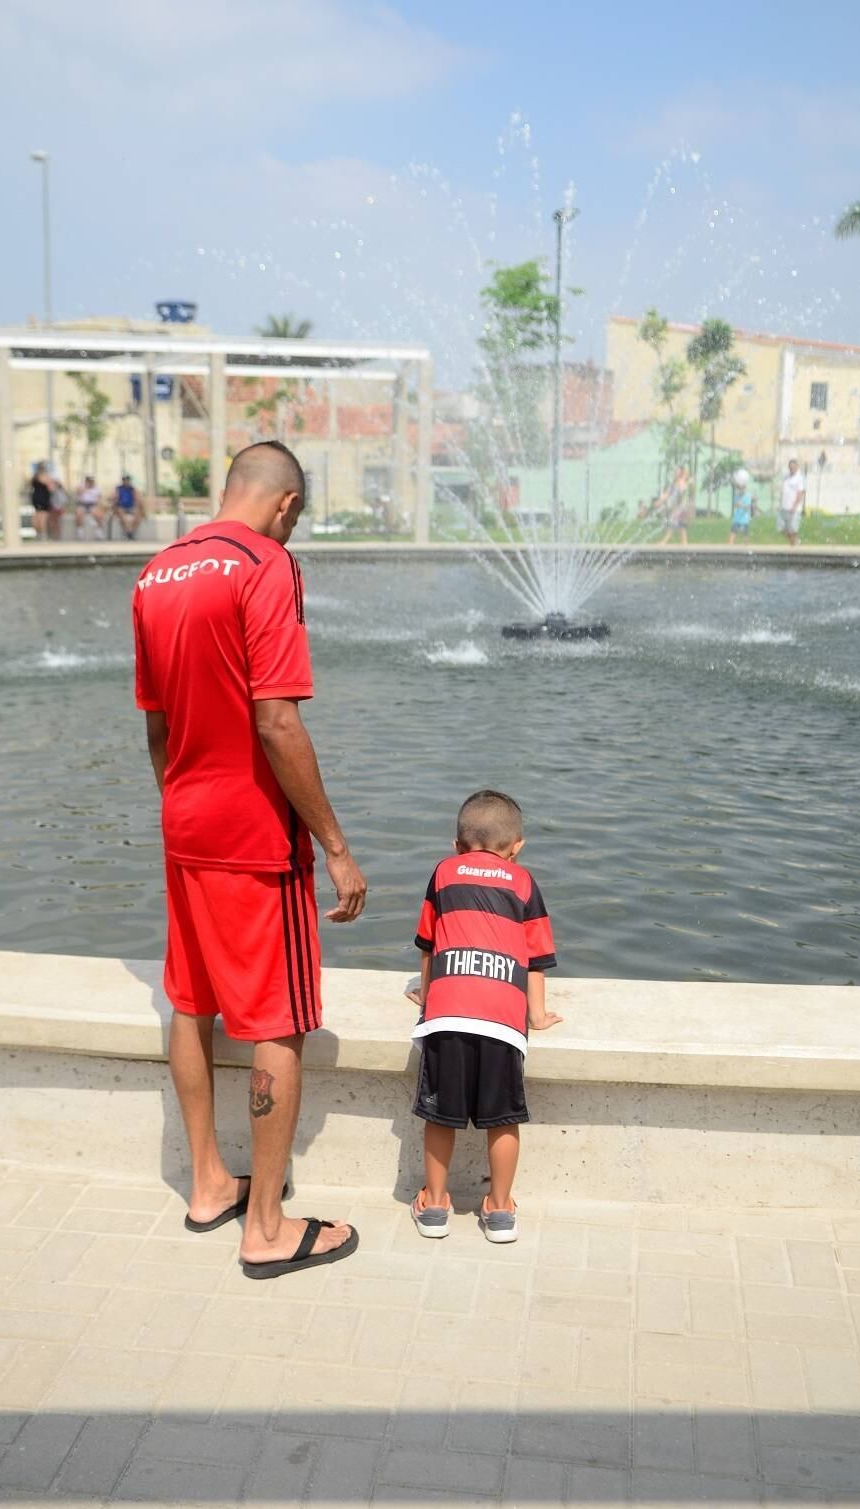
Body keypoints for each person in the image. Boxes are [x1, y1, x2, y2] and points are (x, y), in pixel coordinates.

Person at [133, 440, 366, 1279]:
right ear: (287, 505)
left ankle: (206, 1184)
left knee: (190, 1002)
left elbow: (156, 728)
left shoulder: (156, 572)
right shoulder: (267, 563)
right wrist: (335, 847)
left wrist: (185, 800)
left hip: (183, 823)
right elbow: (277, 720)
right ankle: (264, 1225)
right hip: (254, 837)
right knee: (278, 1020)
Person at [405, 790, 562, 1244]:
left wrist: (428, 994)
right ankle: (499, 1210)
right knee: (502, 1119)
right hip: (500, 1022)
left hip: (447, 1017)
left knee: (439, 1115)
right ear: (517, 846)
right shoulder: (524, 882)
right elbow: (536, 959)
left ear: (457, 845)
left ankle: (434, 1205)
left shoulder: (443, 872)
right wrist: (537, 1015)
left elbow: (428, 943)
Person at [658, 466, 691, 546]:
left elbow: (682, 495)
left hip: (681, 507)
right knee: (681, 526)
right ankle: (684, 543)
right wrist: (660, 501)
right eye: (675, 471)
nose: (675, 473)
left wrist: (679, 508)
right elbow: (667, 494)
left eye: (677, 471)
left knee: (674, 524)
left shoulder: (681, 482)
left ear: (680, 473)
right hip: (677, 507)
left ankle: (664, 542)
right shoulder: (674, 483)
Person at [778, 459, 806, 546]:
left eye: (793, 467)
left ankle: (794, 545)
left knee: (792, 529)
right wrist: (780, 503)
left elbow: (800, 493)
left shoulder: (799, 478)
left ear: (797, 467)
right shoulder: (786, 477)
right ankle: (796, 542)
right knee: (781, 528)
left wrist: (794, 506)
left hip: (794, 508)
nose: (791, 468)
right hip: (784, 507)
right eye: (790, 467)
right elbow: (783, 491)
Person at [30, 463, 56, 540]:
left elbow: (52, 488)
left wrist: (48, 481)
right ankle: (40, 534)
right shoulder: (38, 477)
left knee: (40, 518)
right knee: (39, 519)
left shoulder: (42, 477)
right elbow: (51, 488)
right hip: (40, 500)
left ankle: (41, 534)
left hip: (41, 500)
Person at [113, 474, 142, 540]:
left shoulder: (132, 489)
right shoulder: (118, 488)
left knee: (138, 516)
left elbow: (137, 498)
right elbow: (115, 498)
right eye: (125, 480)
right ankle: (129, 532)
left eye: (127, 480)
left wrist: (138, 506)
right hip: (121, 507)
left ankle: (130, 532)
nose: (126, 481)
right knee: (123, 516)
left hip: (131, 507)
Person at [728, 471, 754, 545]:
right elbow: (735, 505)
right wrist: (738, 504)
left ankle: (745, 547)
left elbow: (747, 508)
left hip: (745, 519)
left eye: (742, 488)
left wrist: (741, 505)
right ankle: (730, 547)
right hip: (737, 519)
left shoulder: (748, 496)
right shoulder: (737, 496)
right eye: (739, 488)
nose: (740, 490)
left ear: (745, 488)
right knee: (732, 533)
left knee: (745, 536)